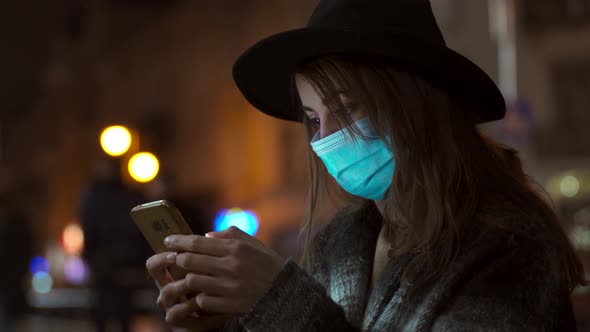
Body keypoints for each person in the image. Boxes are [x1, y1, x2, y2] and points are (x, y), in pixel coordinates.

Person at [146, 0, 587, 331]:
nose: (327, 138)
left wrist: (280, 299)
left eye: (348, 107)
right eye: (314, 120)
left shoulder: (509, 246)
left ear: (416, 106)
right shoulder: (343, 242)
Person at [79, 157, 151, 332]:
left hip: (122, 268)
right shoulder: (94, 196)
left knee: (123, 316)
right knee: (104, 316)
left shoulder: (126, 195)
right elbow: (89, 233)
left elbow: (139, 231)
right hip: (104, 268)